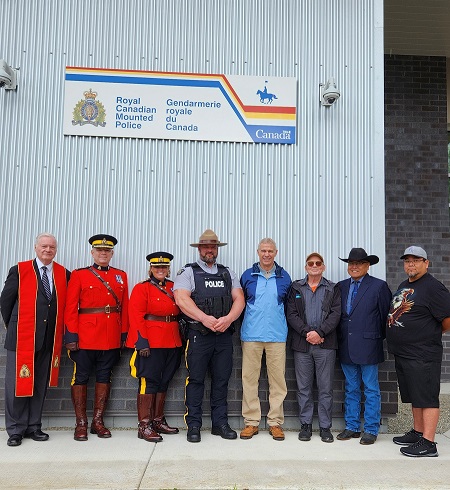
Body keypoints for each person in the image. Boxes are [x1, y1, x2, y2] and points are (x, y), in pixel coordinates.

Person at [173, 229, 245, 443]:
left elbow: (239, 299)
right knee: (195, 380)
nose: (209, 250)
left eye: (213, 247)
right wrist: (204, 318)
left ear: (217, 249)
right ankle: (194, 425)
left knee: (221, 381)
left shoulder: (227, 273)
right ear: (199, 249)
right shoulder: (188, 272)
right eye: (205, 247)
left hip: (223, 336)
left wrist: (229, 319)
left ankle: (219, 424)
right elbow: (181, 299)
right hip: (199, 335)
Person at [1, 233, 70, 447]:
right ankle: (15, 429)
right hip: (22, 338)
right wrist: (15, 327)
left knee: (40, 384)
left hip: (49, 340)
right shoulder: (19, 270)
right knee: (17, 385)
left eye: (52, 247)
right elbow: (5, 303)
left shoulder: (62, 274)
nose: (48, 250)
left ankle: (34, 426)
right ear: (36, 247)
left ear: (56, 249)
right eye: (44, 246)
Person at [386, 246, 450, 458]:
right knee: (415, 395)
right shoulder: (406, 284)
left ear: (426, 263)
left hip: (423, 353)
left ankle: (429, 443)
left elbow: (447, 318)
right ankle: (418, 432)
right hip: (404, 352)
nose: (411, 264)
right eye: (407, 260)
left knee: (427, 396)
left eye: (416, 260)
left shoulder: (433, 287)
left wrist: (429, 332)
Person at [64, 234, 129, 441]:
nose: (103, 253)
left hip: (110, 336)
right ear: (92, 253)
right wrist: (71, 334)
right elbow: (70, 307)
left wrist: (123, 334)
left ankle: (97, 422)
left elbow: (124, 307)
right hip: (85, 337)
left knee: (104, 376)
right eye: (99, 250)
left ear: (112, 254)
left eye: (107, 251)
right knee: (81, 377)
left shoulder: (121, 276)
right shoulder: (79, 275)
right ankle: (81, 423)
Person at [336, 248, 391, 445]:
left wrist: (377, 338)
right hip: (346, 345)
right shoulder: (341, 287)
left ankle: (370, 429)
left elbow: (386, 317)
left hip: (369, 345)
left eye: (359, 263)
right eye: (351, 263)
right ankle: (351, 427)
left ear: (367, 266)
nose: (354, 266)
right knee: (351, 388)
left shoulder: (378, 286)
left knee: (370, 388)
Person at [126, 252, 182, 443]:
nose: (160, 270)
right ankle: (144, 425)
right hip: (151, 341)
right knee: (148, 382)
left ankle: (157, 421)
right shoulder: (142, 288)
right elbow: (136, 315)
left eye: (164, 267)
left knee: (164, 381)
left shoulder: (174, 287)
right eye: (157, 267)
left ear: (168, 269)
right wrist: (141, 341)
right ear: (150, 268)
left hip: (172, 340)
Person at [239, 238, 291, 441]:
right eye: (263, 251)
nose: (267, 254)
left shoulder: (284, 277)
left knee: (278, 382)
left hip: (277, 336)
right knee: (249, 380)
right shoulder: (247, 275)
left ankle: (275, 423)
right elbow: (240, 304)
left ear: (276, 252)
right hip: (251, 336)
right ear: (258, 252)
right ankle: (251, 423)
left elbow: (288, 306)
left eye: (270, 251)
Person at [286, 252, 341, 443]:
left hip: (325, 345)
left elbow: (336, 314)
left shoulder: (333, 288)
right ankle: (306, 425)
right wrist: (307, 333)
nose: (315, 265)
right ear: (306, 267)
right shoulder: (296, 287)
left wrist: (320, 333)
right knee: (304, 388)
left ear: (323, 267)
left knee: (325, 388)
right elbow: (291, 314)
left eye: (318, 263)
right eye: (311, 263)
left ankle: (325, 427)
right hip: (302, 345)